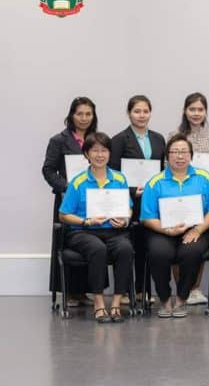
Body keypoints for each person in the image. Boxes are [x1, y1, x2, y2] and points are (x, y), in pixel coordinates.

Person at [141, 134, 209, 318]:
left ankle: (181, 299)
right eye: (175, 152)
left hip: (197, 230)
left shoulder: (205, 178)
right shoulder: (155, 182)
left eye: (184, 152)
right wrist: (166, 230)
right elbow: (147, 217)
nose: (179, 156)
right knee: (159, 253)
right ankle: (165, 299)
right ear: (167, 156)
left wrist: (198, 229)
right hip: (162, 230)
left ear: (191, 156)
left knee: (191, 252)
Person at [58, 132, 133, 323]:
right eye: (95, 151)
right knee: (97, 248)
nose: (100, 155)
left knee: (125, 248)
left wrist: (125, 220)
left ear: (110, 153)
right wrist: (86, 221)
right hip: (83, 231)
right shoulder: (78, 181)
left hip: (113, 231)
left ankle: (116, 303)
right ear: (86, 154)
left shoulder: (120, 179)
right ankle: (99, 303)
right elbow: (63, 214)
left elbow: (129, 207)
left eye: (104, 150)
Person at [109, 95, 166, 306]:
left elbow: (162, 171)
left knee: (146, 245)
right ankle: (124, 291)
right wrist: (132, 190)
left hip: (151, 201)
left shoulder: (158, 139)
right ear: (129, 113)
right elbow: (113, 173)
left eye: (145, 111)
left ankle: (143, 290)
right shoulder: (118, 140)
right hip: (128, 200)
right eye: (137, 111)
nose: (141, 115)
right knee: (128, 245)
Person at [43, 97, 99, 306]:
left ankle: (85, 290)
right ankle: (71, 292)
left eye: (88, 114)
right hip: (68, 199)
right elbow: (48, 170)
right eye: (79, 114)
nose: (84, 118)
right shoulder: (59, 140)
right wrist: (66, 187)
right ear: (71, 115)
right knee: (69, 242)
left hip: (93, 200)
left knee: (93, 239)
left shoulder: (97, 139)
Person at [167, 92, 209, 306]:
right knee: (177, 243)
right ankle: (181, 287)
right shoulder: (174, 135)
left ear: (205, 111)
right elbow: (168, 165)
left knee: (197, 241)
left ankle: (195, 288)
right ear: (185, 111)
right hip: (176, 197)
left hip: (202, 197)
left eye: (200, 109)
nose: (196, 113)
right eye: (192, 109)